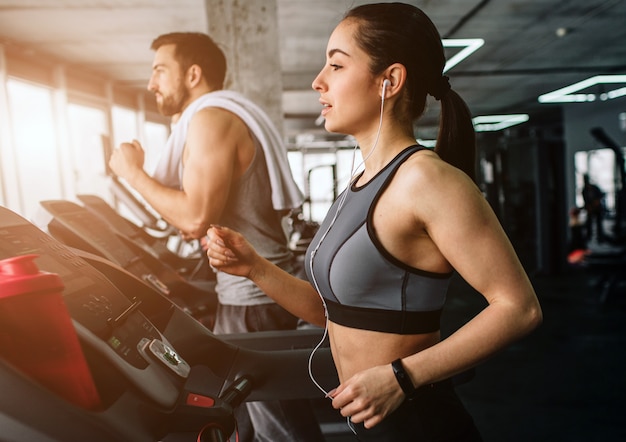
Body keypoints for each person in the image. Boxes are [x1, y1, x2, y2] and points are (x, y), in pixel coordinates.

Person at [205, 3, 543, 441]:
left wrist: (402, 377)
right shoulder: (361, 182)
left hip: (420, 424)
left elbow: (519, 308)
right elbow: (334, 313)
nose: (318, 81)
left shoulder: (427, 179)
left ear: (390, 81)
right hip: (371, 424)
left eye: (336, 65)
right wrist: (253, 267)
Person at [109, 32, 324, 442]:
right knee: (247, 426)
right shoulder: (208, 119)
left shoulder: (211, 120)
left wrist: (132, 173)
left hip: (253, 302)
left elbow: (192, 217)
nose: (152, 84)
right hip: (247, 295)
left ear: (193, 74)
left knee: (280, 430)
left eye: (160, 71)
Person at [581, 174, 607, 243]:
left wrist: (597, 201)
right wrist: (588, 207)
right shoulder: (584, 190)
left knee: (599, 223)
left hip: (598, 208)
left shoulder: (595, 188)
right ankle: (589, 237)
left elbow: (602, 195)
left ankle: (600, 238)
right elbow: (585, 200)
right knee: (589, 222)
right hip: (591, 208)